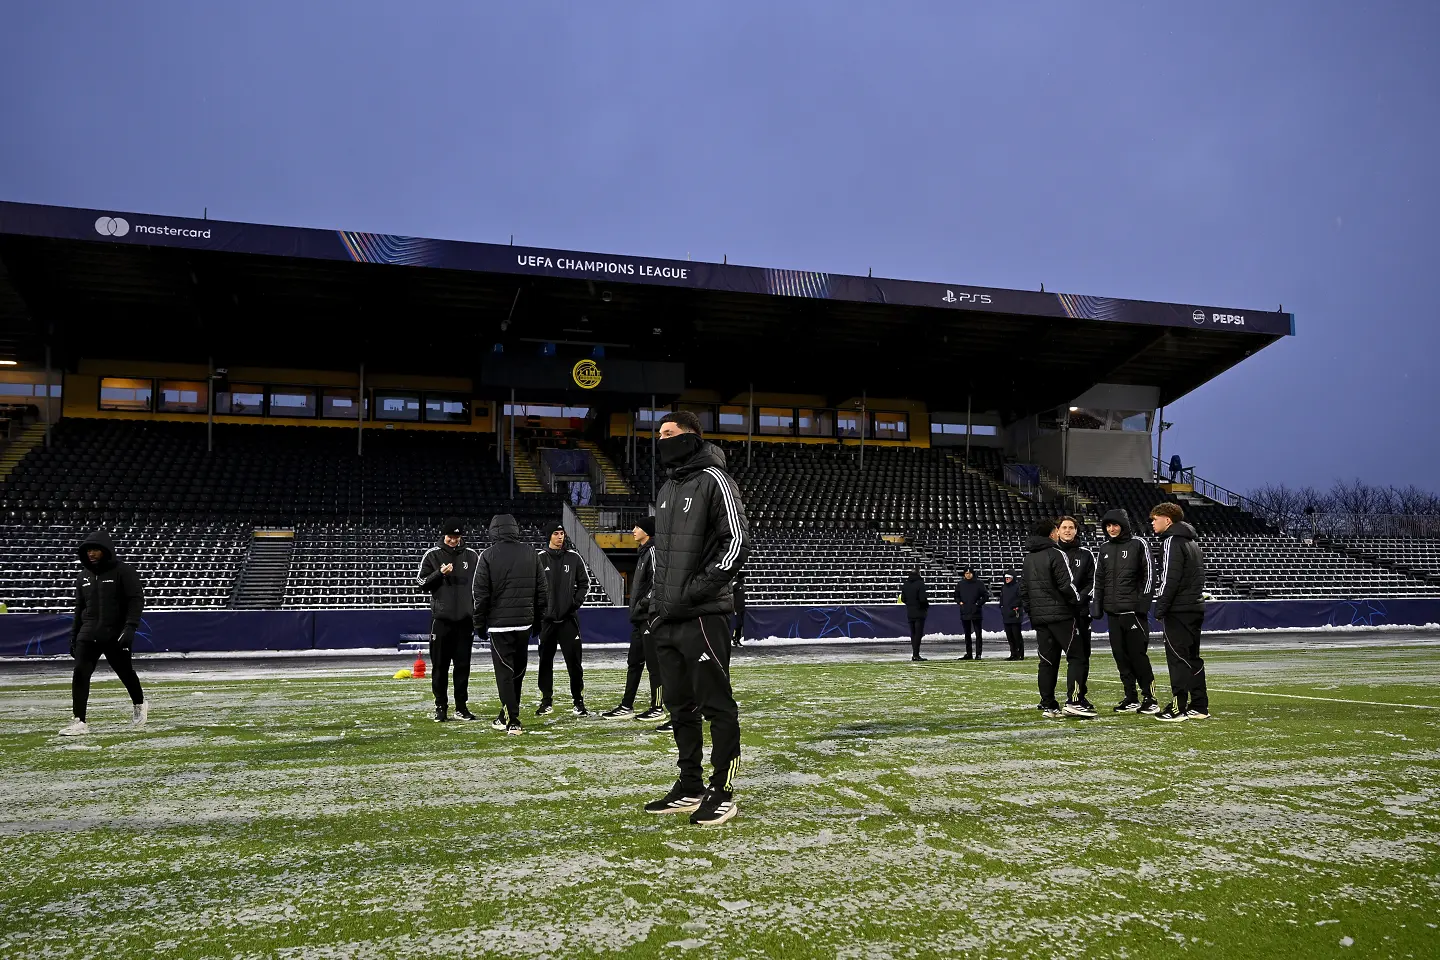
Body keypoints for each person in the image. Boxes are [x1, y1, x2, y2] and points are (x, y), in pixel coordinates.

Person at [643, 411, 751, 827]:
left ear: (690, 436)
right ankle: (689, 785)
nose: (662, 440)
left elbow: (737, 543)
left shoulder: (715, 479)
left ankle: (722, 790)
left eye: (669, 433)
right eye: (659, 434)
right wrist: (658, 605)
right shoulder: (668, 487)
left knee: (716, 705)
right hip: (668, 618)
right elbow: (664, 558)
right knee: (678, 706)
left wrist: (692, 593)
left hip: (704, 615)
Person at [61, 531, 147, 736]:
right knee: (80, 673)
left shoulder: (123, 571)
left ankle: (139, 703)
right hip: (87, 633)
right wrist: (74, 636)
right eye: (88, 550)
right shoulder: (83, 577)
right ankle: (79, 721)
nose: (91, 553)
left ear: (106, 551)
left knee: (125, 672)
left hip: (114, 634)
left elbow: (136, 600)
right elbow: (79, 608)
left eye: (95, 549)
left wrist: (130, 628)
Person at [472, 514, 550, 735]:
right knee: (518, 671)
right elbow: (542, 592)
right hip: (524, 623)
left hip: (499, 625)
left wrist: (479, 623)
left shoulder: (487, 555)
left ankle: (513, 720)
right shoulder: (531, 553)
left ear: (494, 530)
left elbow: (480, 594)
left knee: (505, 673)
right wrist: (537, 620)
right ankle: (504, 715)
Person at [1093, 508, 1159, 714]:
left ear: (1123, 525)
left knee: (1138, 656)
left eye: (1115, 525)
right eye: (1108, 526)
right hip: (1113, 614)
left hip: (1133, 613)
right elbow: (1099, 579)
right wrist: (1097, 604)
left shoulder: (1139, 544)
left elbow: (1149, 575)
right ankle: (1131, 697)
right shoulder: (1104, 548)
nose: (1112, 529)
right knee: (1120, 656)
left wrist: (1141, 606)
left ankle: (1150, 698)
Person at [416, 517, 481, 722]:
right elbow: (421, 583)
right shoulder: (432, 555)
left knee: (463, 667)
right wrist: (439, 574)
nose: (453, 540)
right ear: (444, 536)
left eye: (457, 537)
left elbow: (480, 584)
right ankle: (440, 707)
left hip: (465, 621)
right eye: (450, 537)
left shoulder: (472, 556)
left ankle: (461, 707)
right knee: (440, 666)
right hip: (442, 621)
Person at [602, 516, 666, 723]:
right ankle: (626, 705)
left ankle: (657, 707)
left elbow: (659, 585)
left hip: (649, 617)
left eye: (637, 527)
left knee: (654, 665)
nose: (633, 530)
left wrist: (643, 605)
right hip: (640, 619)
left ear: (647, 531)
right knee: (634, 663)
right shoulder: (643, 553)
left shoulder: (654, 552)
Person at [1150, 503, 1210, 721]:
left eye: (1155, 518)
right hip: (1194, 606)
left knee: (1178, 658)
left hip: (1179, 609)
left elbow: (1169, 579)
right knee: (1192, 657)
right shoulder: (1191, 542)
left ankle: (1178, 708)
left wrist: (1160, 607)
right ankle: (1199, 706)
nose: (1152, 523)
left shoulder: (1171, 542)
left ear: (1168, 520)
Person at [1019, 519, 1083, 720]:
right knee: (1077, 657)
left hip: (1040, 618)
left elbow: (1024, 590)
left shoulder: (1029, 558)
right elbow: (1066, 585)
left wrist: (1033, 612)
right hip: (1061, 616)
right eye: (1056, 530)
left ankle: (1048, 704)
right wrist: (1078, 601)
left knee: (1046, 661)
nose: (1058, 533)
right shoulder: (1056, 554)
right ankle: (1075, 701)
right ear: (1050, 533)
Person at [535, 522, 592, 717]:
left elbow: (585, 583)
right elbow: (532, 587)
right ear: (549, 536)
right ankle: (546, 701)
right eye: (556, 533)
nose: (560, 537)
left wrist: (576, 602)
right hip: (547, 622)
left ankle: (578, 701)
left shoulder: (574, 558)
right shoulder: (539, 559)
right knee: (545, 662)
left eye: (562, 533)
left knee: (574, 663)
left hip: (568, 620)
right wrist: (540, 610)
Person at [1056, 516, 1097, 715]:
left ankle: (1078, 695)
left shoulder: (1086, 555)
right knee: (1052, 658)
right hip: (1057, 614)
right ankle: (1048, 701)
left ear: (1076, 531)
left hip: (1080, 612)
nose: (1067, 530)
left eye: (1071, 527)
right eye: (1064, 527)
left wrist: (1080, 597)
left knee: (1082, 656)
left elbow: (1093, 581)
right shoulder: (1050, 554)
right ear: (1057, 530)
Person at [952, 567, 990, 660]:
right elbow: (956, 595)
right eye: (966, 573)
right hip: (965, 612)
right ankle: (969, 653)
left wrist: (978, 604)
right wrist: (960, 602)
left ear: (973, 573)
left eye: (969, 573)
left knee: (978, 634)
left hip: (976, 612)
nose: (968, 575)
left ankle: (978, 654)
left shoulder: (979, 583)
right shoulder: (960, 584)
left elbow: (985, 596)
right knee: (967, 634)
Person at [900, 568, 930, 661]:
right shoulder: (920, 584)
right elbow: (922, 599)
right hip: (919, 611)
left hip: (910, 611)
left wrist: (910, 604)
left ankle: (914, 653)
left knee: (913, 633)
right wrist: (926, 606)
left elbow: (903, 599)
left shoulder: (905, 584)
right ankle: (916, 654)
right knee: (918, 634)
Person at [999, 572, 1024, 660]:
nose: (1007, 579)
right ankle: (1013, 653)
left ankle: (1019, 653)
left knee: (1016, 635)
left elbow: (1021, 599)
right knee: (1009, 636)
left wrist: (1014, 607)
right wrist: (1002, 607)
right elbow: (1001, 600)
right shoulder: (1004, 587)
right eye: (1006, 578)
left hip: (1015, 614)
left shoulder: (1018, 587)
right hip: (1006, 615)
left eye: (1009, 578)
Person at [731, 571, 747, 647]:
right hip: (736, 608)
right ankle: (734, 639)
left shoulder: (742, 584)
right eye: (744, 577)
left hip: (742, 607)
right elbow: (731, 594)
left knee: (741, 624)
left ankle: (738, 639)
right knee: (737, 624)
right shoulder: (735, 584)